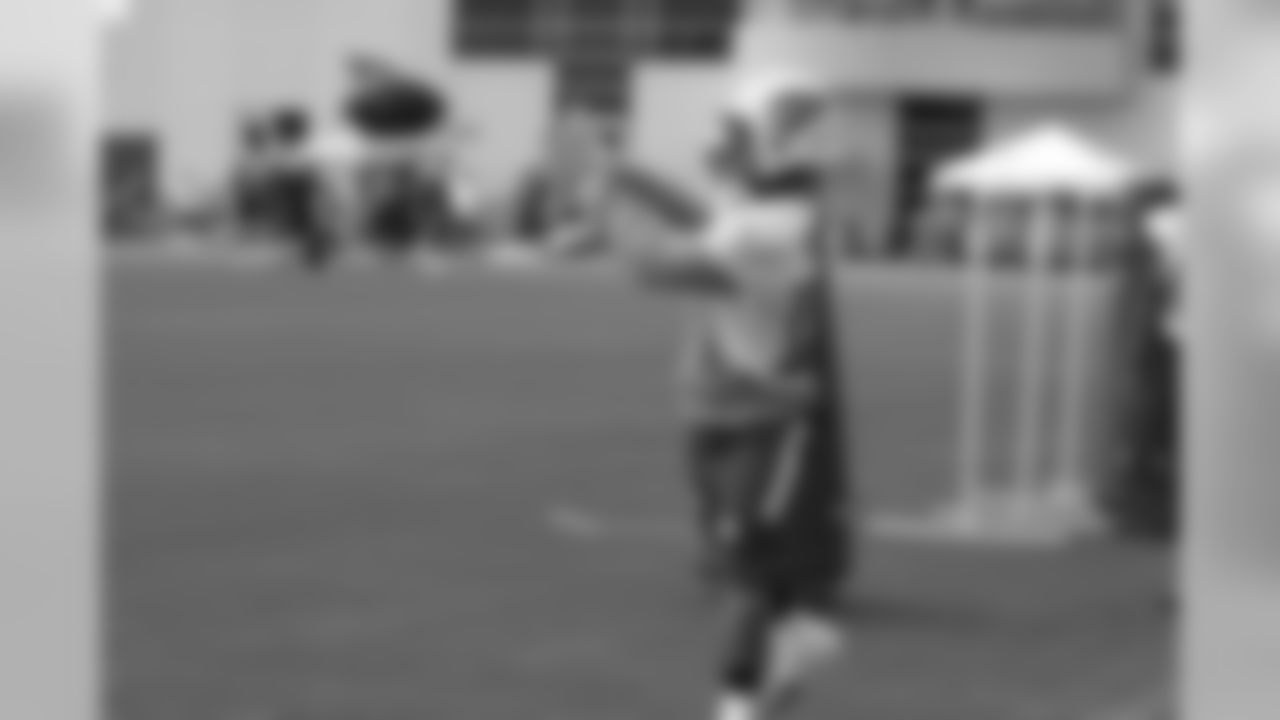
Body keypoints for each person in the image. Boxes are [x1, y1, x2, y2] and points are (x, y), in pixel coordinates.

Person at [626, 70, 852, 720]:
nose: (721, 145)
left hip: (764, 419)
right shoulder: (755, 211)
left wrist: (599, 211)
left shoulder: (778, 226)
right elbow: (705, 220)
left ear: (780, 143)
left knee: (745, 562)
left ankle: (738, 698)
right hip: (711, 407)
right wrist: (626, 176)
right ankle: (800, 634)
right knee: (736, 556)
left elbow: (658, 268)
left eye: (736, 133)